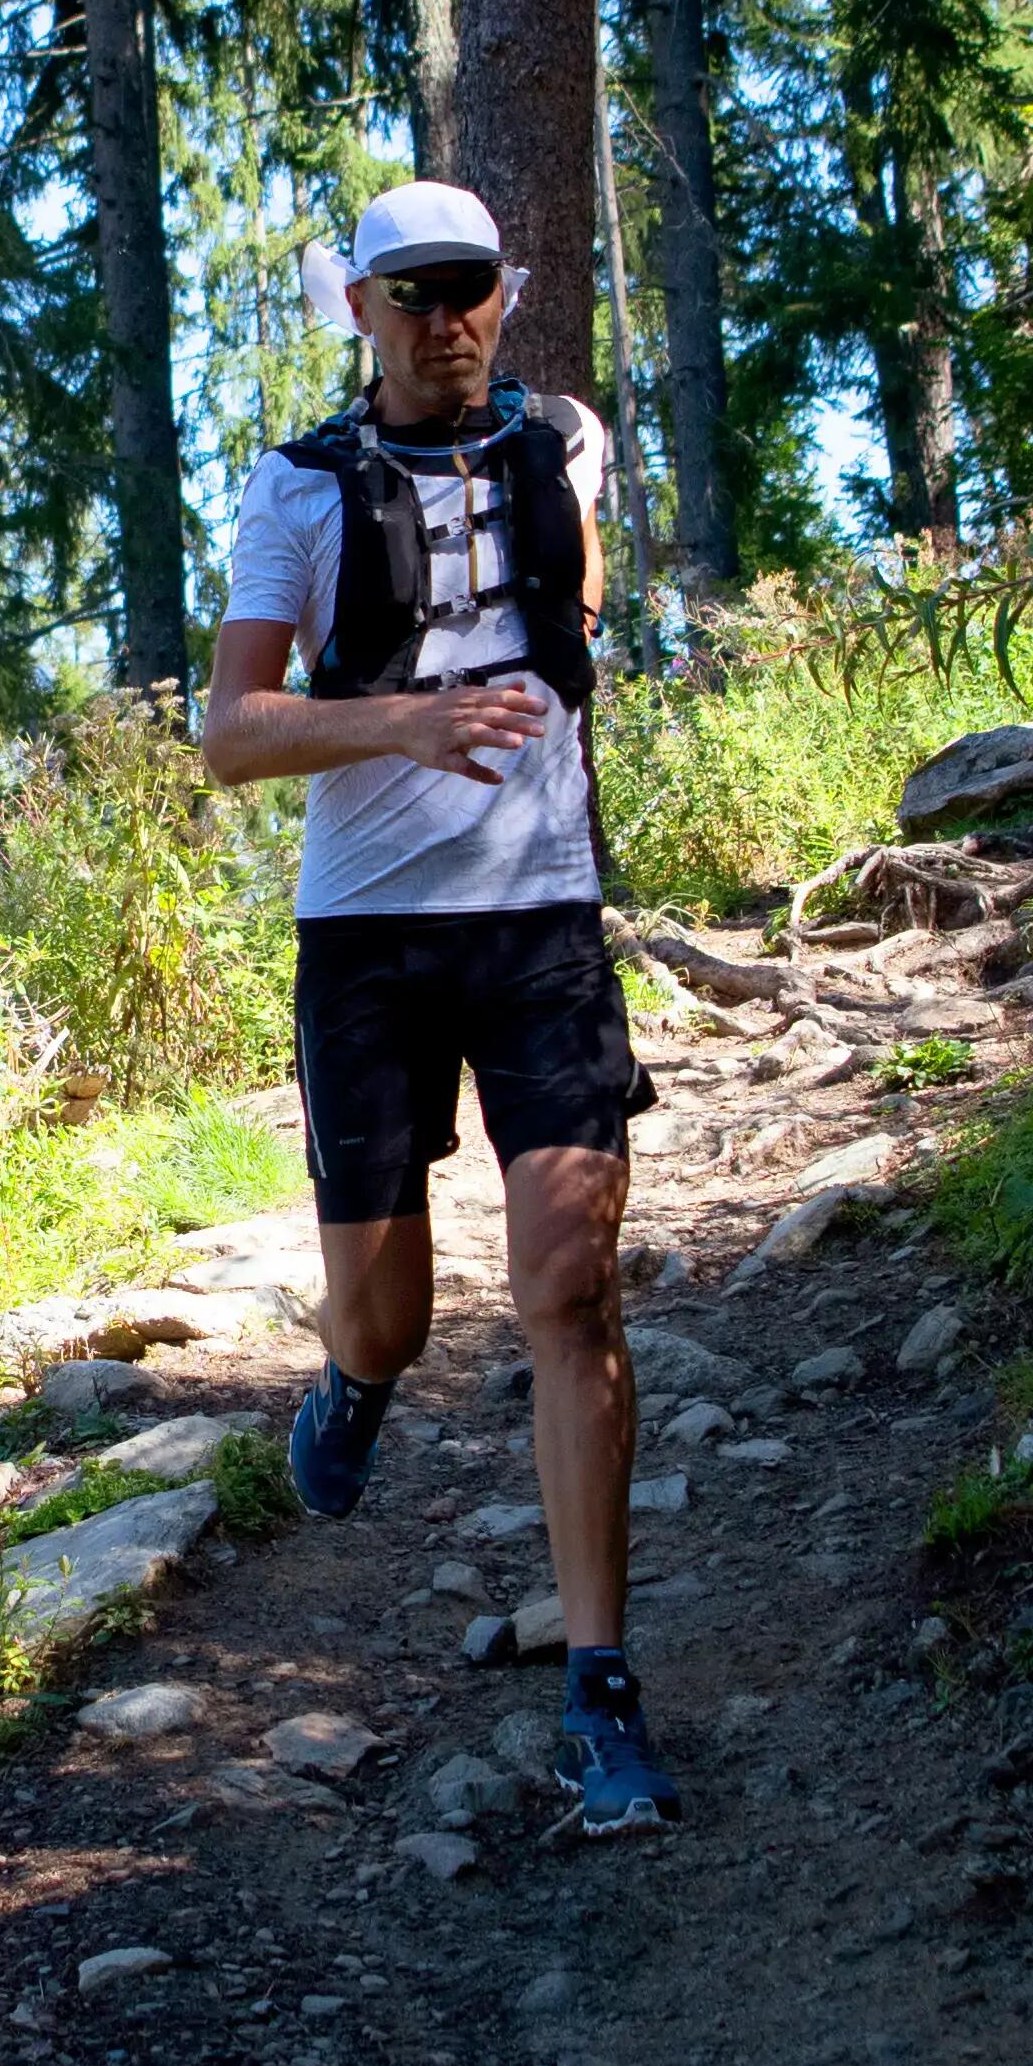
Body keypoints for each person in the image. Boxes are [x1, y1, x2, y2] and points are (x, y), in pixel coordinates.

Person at [197, 176, 674, 1836]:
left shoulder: (565, 444)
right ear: (360, 308)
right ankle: (353, 1384)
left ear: (504, 291)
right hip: (372, 941)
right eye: (411, 293)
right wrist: (401, 725)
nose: (445, 318)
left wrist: (562, 661)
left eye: (468, 287)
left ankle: (599, 1687)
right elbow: (231, 730)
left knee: (570, 1282)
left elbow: (578, 603)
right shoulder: (299, 491)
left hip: (540, 920)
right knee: (388, 1316)